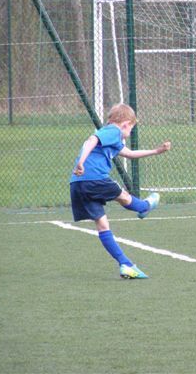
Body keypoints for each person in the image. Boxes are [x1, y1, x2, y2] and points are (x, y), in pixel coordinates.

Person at [70, 103, 171, 279]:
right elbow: (92, 140)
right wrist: (81, 162)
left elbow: (130, 153)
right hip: (95, 179)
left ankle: (125, 265)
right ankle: (144, 207)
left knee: (102, 225)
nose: (130, 133)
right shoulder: (113, 131)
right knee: (123, 196)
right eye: (131, 129)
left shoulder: (112, 139)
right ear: (125, 124)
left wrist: (157, 151)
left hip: (77, 183)